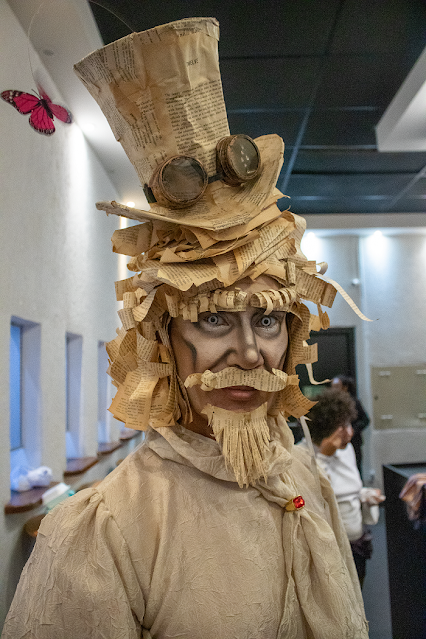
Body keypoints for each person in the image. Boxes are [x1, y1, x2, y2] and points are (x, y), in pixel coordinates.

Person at [2, 18, 369, 639]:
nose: (250, 350)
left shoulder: (305, 478)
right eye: (213, 318)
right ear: (162, 340)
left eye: (270, 318)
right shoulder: (105, 529)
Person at [301, 388, 384, 587]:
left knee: (357, 597)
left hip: (356, 544)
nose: (350, 432)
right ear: (327, 428)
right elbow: (314, 495)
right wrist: (325, 455)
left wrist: (365, 495)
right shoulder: (301, 455)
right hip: (328, 550)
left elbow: (348, 488)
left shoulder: (347, 451)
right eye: (343, 425)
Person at [331, 375, 370, 477]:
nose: (334, 389)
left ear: (345, 387)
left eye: (336, 386)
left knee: (355, 468)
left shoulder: (354, 402)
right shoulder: (331, 403)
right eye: (332, 387)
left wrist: (353, 430)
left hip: (353, 442)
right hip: (337, 442)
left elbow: (365, 420)